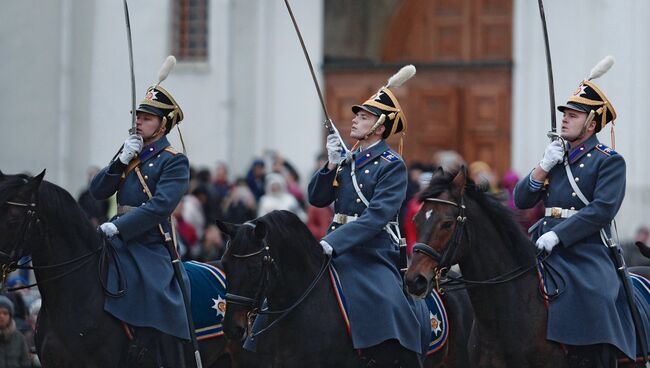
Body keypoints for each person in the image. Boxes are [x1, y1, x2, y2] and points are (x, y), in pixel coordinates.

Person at [514, 65, 638, 367]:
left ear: (591, 124)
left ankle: (595, 356)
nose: (565, 119)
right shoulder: (556, 157)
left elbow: (602, 209)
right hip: (541, 243)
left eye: (573, 115)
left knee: (594, 295)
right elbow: (521, 200)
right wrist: (542, 166)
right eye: (564, 114)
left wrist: (560, 234)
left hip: (584, 248)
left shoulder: (609, 161)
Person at [308, 65, 429, 366]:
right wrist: (330, 165)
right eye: (357, 115)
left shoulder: (392, 165)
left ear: (379, 127)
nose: (355, 120)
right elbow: (317, 197)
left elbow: (377, 216)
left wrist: (334, 241)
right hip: (334, 247)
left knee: (387, 302)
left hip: (371, 252)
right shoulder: (348, 160)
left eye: (363, 117)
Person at [90, 65, 190, 367]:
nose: (139, 122)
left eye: (146, 118)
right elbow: (98, 191)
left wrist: (118, 227)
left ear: (162, 125)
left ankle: (152, 349)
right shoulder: (130, 152)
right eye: (138, 116)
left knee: (158, 292)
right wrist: (119, 160)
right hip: (117, 236)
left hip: (149, 241)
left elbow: (160, 207)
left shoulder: (174, 161)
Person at [0, 295, 31, 368]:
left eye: (5, 313)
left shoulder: (19, 338)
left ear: (10, 316)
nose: (1, 316)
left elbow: (26, 363)